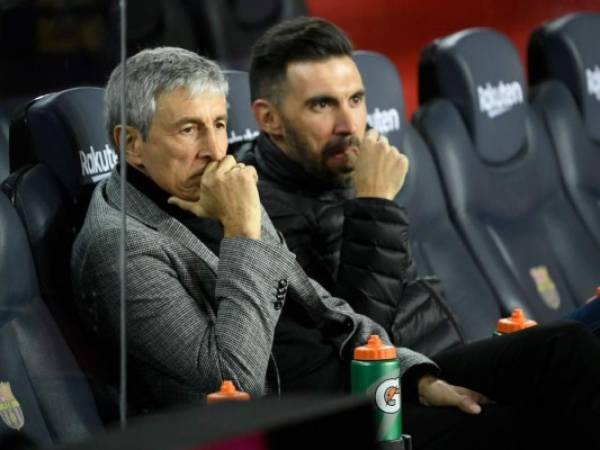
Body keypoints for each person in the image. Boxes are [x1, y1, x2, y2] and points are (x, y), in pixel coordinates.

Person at [72, 46, 600, 450]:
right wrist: (241, 230)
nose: (213, 150)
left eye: (217, 126)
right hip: (304, 425)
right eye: (189, 130)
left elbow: (330, 310)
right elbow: (233, 382)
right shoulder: (120, 248)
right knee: (516, 421)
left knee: (564, 350)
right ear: (131, 145)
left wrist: (415, 376)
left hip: (368, 383)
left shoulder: (218, 187)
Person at [238, 16, 600, 350]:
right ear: (269, 118)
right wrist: (375, 204)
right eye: (322, 105)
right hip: (405, 396)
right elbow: (360, 348)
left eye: (356, 100)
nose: (349, 124)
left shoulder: (342, 174)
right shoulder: (257, 216)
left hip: (448, 368)